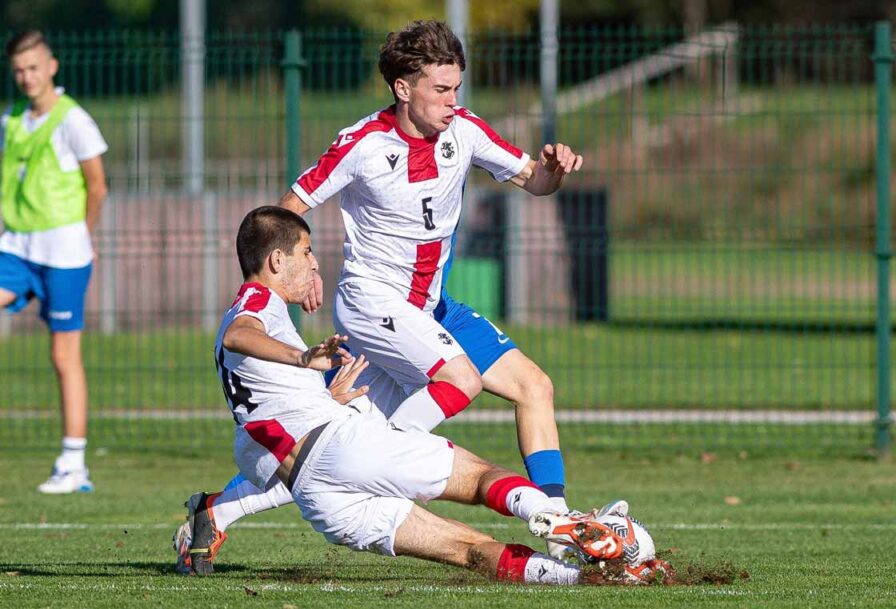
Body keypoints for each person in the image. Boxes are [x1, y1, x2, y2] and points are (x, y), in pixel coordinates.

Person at [175, 19, 583, 567]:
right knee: (455, 379)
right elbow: (288, 209)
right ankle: (388, 461)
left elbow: (534, 179)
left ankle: (559, 525)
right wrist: (302, 269)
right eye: (440, 89)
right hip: (373, 301)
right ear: (402, 88)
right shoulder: (362, 144)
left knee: (534, 386)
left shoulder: (466, 131)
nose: (451, 100)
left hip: (432, 308)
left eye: (456, 87)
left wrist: (554, 172)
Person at [187, 205, 651, 585]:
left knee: (468, 550)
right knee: (481, 476)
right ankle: (562, 520)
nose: (313, 263)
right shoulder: (253, 305)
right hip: (344, 450)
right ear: (275, 261)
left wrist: (327, 399)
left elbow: (264, 423)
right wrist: (302, 357)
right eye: (306, 252)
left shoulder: (252, 332)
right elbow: (240, 335)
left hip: (318, 498)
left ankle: (580, 581)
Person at [0, 30, 108, 494]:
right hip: (16, 248)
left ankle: (73, 464)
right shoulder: (11, 120)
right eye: (19, 70)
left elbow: (97, 186)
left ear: (52, 66)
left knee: (63, 355)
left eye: (33, 67)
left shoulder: (74, 121)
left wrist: (84, 235)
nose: (26, 77)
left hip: (63, 252)